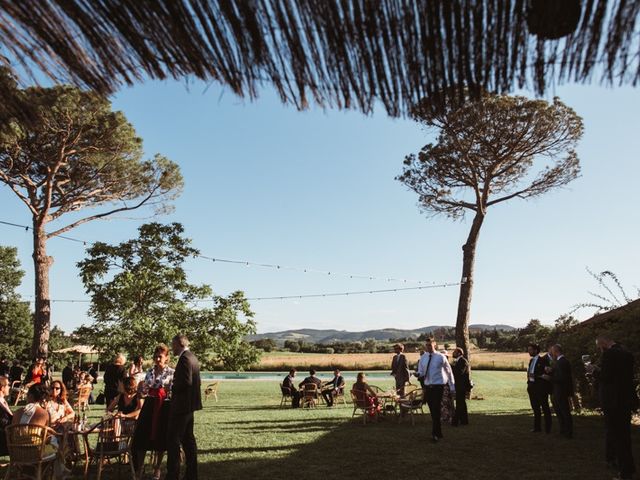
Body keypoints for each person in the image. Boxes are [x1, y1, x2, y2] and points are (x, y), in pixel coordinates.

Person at [593, 334, 636, 480]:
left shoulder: (609, 354)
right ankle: (629, 466)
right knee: (625, 436)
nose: (600, 350)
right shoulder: (626, 353)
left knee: (618, 437)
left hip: (613, 401)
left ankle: (625, 472)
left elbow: (606, 377)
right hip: (625, 400)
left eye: (599, 347)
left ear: (603, 344)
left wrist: (593, 371)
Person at [132, 344, 174, 480]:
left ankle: (157, 468)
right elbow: (144, 391)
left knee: (160, 436)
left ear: (166, 357)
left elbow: (173, 392)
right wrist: (141, 391)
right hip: (149, 405)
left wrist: (167, 390)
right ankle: (140, 468)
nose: (157, 359)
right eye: (155, 356)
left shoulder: (171, 373)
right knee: (142, 435)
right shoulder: (149, 372)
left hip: (163, 406)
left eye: (160, 356)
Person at [166, 334, 202, 480]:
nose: (172, 348)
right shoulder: (192, 357)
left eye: (173, 345)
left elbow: (186, 382)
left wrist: (171, 386)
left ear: (179, 344)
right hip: (189, 406)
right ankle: (191, 474)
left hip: (181, 406)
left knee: (173, 441)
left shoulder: (185, 358)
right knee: (188, 440)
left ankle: (173, 475)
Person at [417, 338, 455, 442]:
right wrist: (418, 374)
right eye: (426, 345)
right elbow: (421, 371)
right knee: (433, 411)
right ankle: (439, 432)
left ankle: (435, 434)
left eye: (430, 345)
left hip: (438, 387)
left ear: (435, 345)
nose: (428, 347)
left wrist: (452, 387)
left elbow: (449, 372)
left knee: (436, 409)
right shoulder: (423, 358)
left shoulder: (441, 357)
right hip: (428, 388)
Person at [545, 344, 573, 439]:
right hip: (558, 390)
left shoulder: (562, 362)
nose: (551, 353)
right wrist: (551, 370)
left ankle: (568, 432)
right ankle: (563, 430)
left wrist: (549, 378)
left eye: (552, 351)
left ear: (556, 351)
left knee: (564, 411)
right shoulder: (560, 361)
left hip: (561, 390)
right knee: (560, 411)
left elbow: (562, 378)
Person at [525, 343, 552, 433]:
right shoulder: (531, 361)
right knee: (535, 408)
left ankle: (548, 428)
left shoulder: (543, 361)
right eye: (528, 350)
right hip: (532, 387)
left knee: (545, 407)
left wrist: (538, 376)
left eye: (530, 350)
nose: (529, 351)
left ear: (536, 350)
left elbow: (547, 374)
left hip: (541, 388)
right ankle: (537, 428)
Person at [451, 347, 470, 426]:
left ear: (459, 353)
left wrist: (450, 367)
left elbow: (459, 372)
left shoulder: (463, 361)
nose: (453, 353)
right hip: (459, 386)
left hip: (461, 386)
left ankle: (455, 421)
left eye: (454, 352)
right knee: (462, 403)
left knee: (459, 403)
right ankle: (464, 420)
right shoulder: (458, 361)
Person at [0, 376, 13, 456]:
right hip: (4, 439)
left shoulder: (2, 401)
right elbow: (3, 422)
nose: (9, 387)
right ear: (2, 388)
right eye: (8, 385)